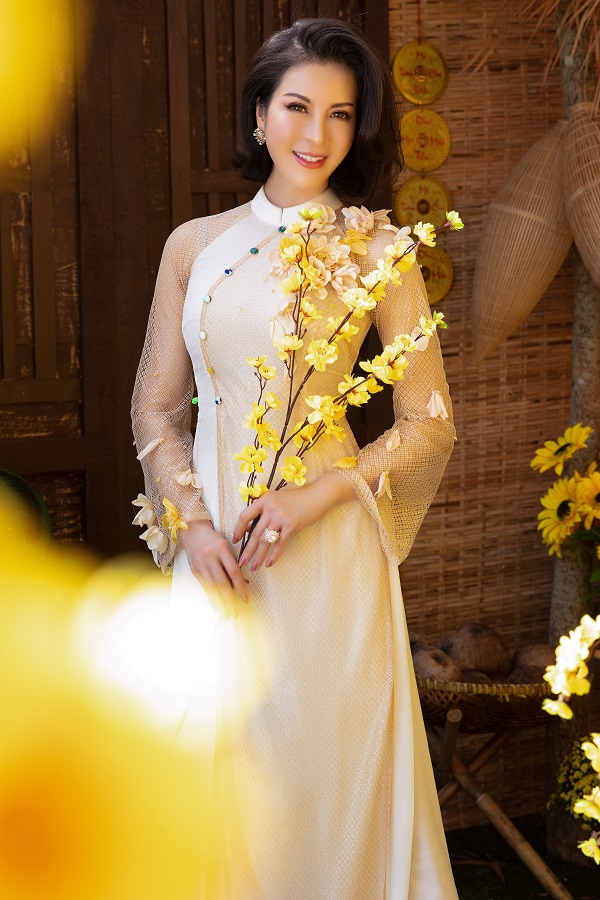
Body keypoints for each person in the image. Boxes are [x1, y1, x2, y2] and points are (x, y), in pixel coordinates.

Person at [132, 17, 457, 899]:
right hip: (216, 561)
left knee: (327, 777)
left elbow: (430, 422)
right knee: (218, 783)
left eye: (341, 115)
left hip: (327, 560)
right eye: (297, 107)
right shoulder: (193, 247)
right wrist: (192, 527)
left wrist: (316, 497)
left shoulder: (382, 251)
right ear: (259, 115)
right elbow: (155, 408)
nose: (317, 134)